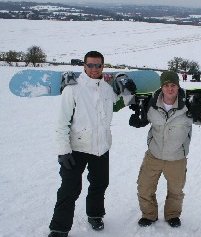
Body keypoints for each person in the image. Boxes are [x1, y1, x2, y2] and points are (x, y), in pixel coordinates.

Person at [48, 51, 136, 237]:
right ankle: (59, 228)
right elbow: (61, 123)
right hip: (76, 148)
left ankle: (95, 215)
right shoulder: (73, 89)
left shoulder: (106, 89)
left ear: (103, 66)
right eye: (90, 65)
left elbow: (120, 103)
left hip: (101, 147)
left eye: (98, 65)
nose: (94, 69)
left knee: (99, 184)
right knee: (69, 189)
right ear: (84, 66)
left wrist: (128, 90)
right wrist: (63, 151)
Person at [128, 71, 201, 228]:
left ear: (178, 86)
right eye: (166, 85)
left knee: (176, 191)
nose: (170, 89)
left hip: (177, 158)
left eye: (173, 85)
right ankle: (149, 215)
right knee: (144, 187)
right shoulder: (151, 103)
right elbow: (141, 116)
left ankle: (172, 215)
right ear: (161, 87)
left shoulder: (188, 103)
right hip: (153, 155)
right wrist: (138, 119)